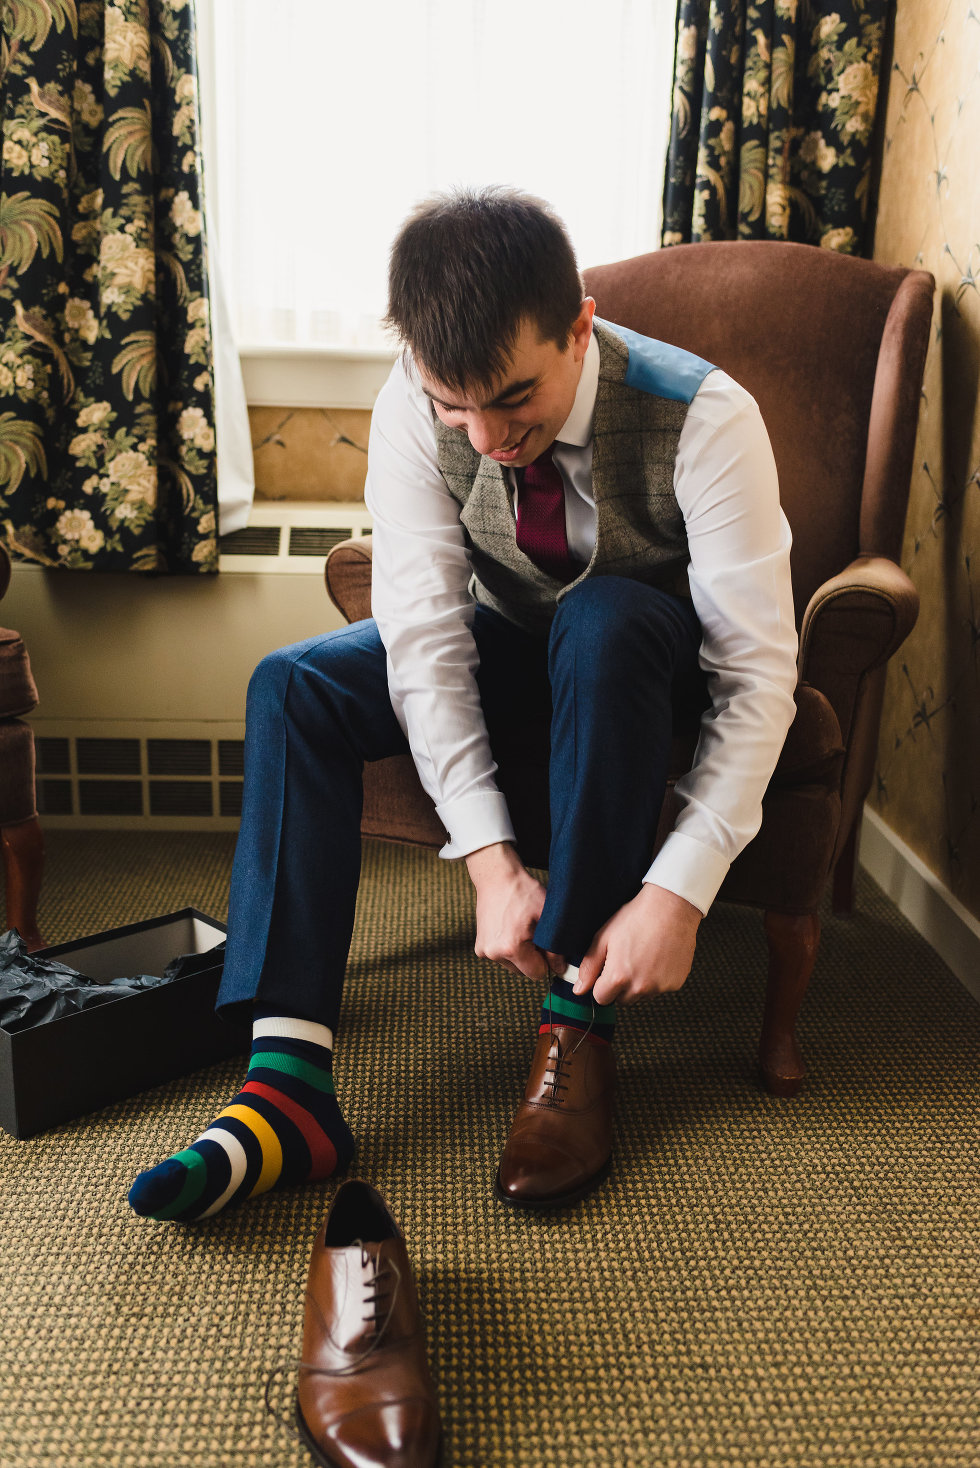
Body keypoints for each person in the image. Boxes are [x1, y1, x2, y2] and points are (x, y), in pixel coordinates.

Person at [129, 187, 798, 1222]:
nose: (485, 437)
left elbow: (755, 678)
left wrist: (680, 890)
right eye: (454, 405)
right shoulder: (411, 400)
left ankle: (573, 1025)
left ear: (577, 325)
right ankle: (286, 1086)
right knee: (292, 683)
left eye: (513, 398)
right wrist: (487, 858)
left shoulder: (708, 416)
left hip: (634, 670)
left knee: (606, 619)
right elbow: (425, 636)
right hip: (502, 645)